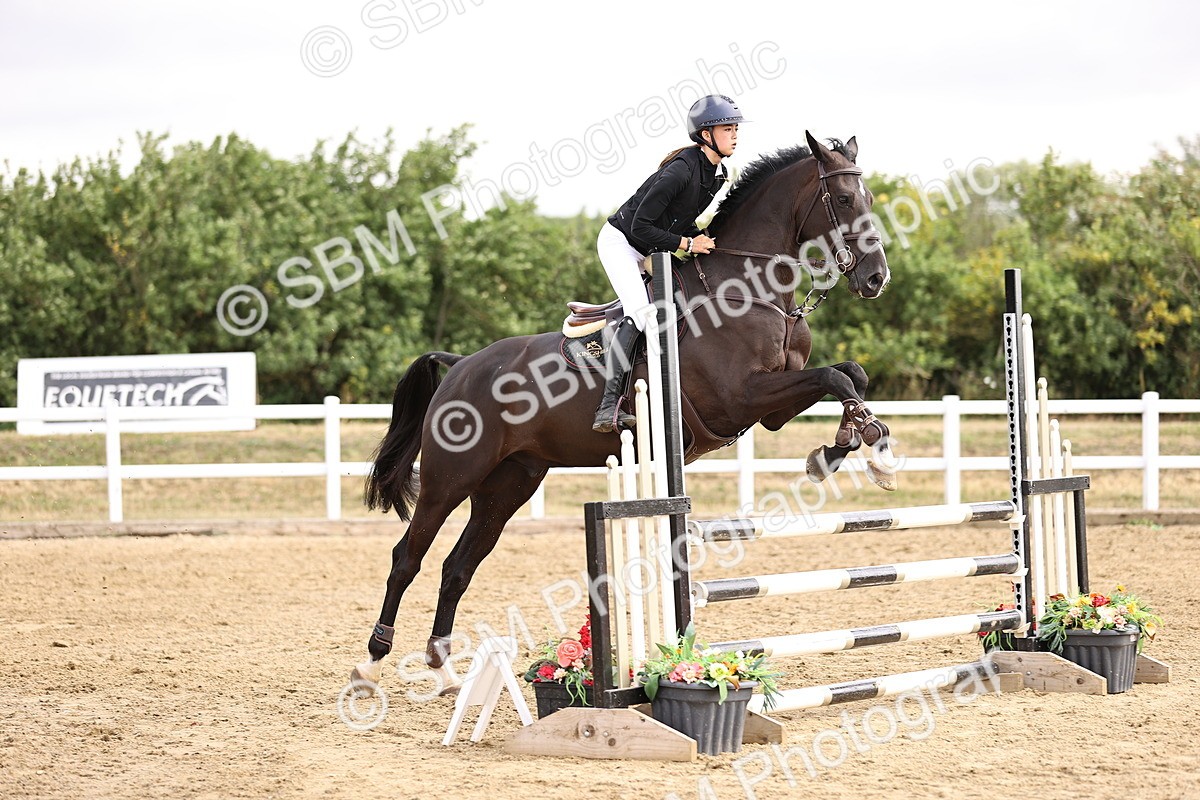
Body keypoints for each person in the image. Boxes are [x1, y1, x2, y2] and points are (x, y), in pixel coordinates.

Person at [592, 94, 746, 433]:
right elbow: (640, 226)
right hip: (622, 243)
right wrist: (689, 243)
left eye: (736, 129)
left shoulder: (718, 174)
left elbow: (678, 218)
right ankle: (609, 405)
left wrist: (697, 238)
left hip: (653, 246)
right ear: (706, 134)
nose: (735, 135)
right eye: (727, 128)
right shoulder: (680, 171)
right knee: (641, 313)